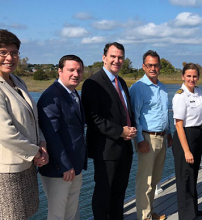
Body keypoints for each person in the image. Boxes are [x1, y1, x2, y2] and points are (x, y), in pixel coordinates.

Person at [0, 28, 48, 220]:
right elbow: (4, 132)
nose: (9, 57)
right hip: (3, 171)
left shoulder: (17, 81)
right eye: (3, 52)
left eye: (14, 52)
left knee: (24, 214)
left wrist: (42, 144)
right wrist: (35, 152)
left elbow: (33, 119)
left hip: (24, 164)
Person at [82, 42, 137, 220]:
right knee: (103, 196)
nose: (117, 60)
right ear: (104, 57)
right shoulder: (93, 83)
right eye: (113, 56)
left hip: (125, 148)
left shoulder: (120, 81)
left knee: (119, 194)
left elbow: (125, 110)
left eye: (120, 57)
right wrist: (120, 131)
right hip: (106, 149)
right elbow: (93, 118)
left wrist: (131, 128)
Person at [37, 55, 87, 220]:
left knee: (71, 213)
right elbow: (51, 135)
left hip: (75, 165)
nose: (76, 74)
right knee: (57, 215)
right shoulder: (50, 96)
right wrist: (65, 166)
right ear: (60, 71)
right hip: (59, 170)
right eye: (71, 70)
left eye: (79, 70)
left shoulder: (73, 93)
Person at [130, 50, 172, 220]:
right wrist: (139, 140)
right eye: (150, 65)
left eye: (156, 65)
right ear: (144, 66)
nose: (153, 68)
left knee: (154, 179)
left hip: (162, 137)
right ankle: (144, 217)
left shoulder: (162, 88)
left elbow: (164, 113)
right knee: (145, 182)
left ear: (160, 67)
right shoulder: (138, 88)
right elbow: (135, 116)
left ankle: (150, 212)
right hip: (147, 138)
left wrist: (169, 133)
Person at [172, 63, 202, 219]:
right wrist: (186, 150)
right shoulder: (180, 96)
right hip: (184, 136)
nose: (192, 79)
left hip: (197, 135)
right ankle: (186, 215)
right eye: (188, 76)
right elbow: (179, 124)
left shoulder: (198, 92)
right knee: (184, 177)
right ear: (183, 77)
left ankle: (193, 208)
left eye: (194, 76)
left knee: (193, 175)